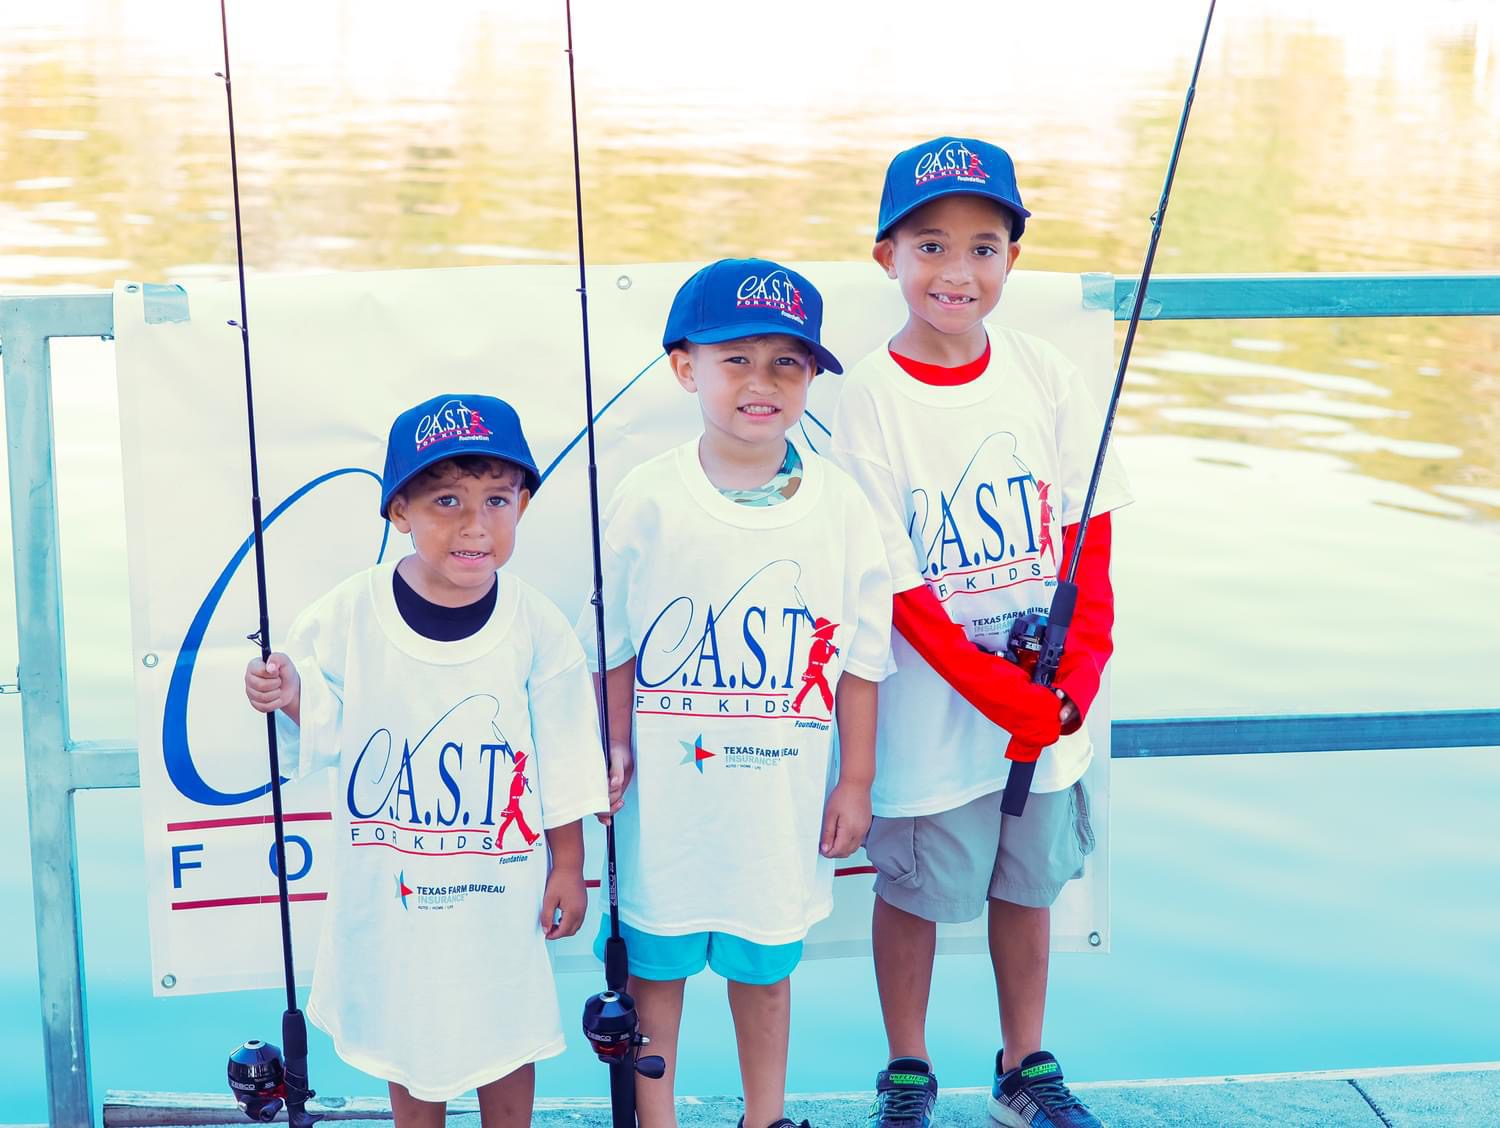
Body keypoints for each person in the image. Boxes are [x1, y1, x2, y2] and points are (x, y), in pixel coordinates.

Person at [829, 137, 1132, 1128]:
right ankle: (907, 1069)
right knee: (914, 890)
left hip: (1044, 712)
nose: (957, 272)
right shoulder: (869, 393)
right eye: (930, 246)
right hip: (935, 709)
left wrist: (1071, 683)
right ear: (887, 257)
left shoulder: (1046, 376)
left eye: (983, 247)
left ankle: (1023, 1064)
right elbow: (897, 581)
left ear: (1011, 258)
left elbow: (1091, 542)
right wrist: (993, 689)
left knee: (1029, 883)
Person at [582, 258, 894, 1128]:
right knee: (657, 971)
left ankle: (767, 1117)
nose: (761, 384)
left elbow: (863, 658)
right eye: (736, 361)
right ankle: (658, 1119)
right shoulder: (647, 497)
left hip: (777, 803)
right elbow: (613, 646)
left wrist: (856, 778)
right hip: (668, 805)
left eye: (786, 363)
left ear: (810, 378)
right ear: (686, 369)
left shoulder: (840, 505)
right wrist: (613, 748)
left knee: (765, 972)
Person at [244, 393, 607, 1127]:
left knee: (505, 1026)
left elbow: (566, 755)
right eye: (447, 500)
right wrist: (284, 692)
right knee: (409, 1032)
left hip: (499, 886)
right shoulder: (350, 611)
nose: (475, 524)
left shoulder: (537, 625)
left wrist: (567, 864)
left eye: (497, 500)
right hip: (393, 884)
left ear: (523, 506)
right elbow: (327, 722)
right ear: (399, 511)